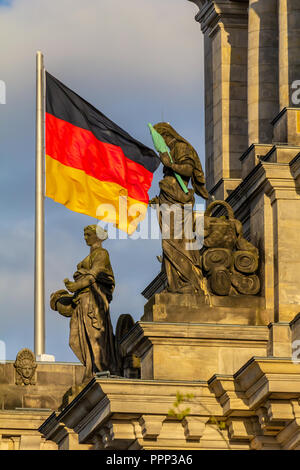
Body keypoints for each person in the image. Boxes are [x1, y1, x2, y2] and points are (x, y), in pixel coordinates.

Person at [51, 225, 118, 381]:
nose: (85, 237)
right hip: (81, 300)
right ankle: (91, 368)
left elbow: (93, 276)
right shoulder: (92, 255)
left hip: (93, 300)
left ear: (97, 236)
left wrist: (75, 285)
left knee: (94, 336)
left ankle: (99, 369)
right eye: (85, 234)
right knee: (74, 341)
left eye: (88, 234)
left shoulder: (102, 253)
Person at [150, 122, 209, 294]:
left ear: (164, 135)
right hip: (168, 200)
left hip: (179, 201)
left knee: (177, 243)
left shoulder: (180, 147)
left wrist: (170, 165)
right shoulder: (169, 151)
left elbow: (188, 170)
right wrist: (157, 201)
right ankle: (176, 283)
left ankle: (188, 281)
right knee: (169, 243)